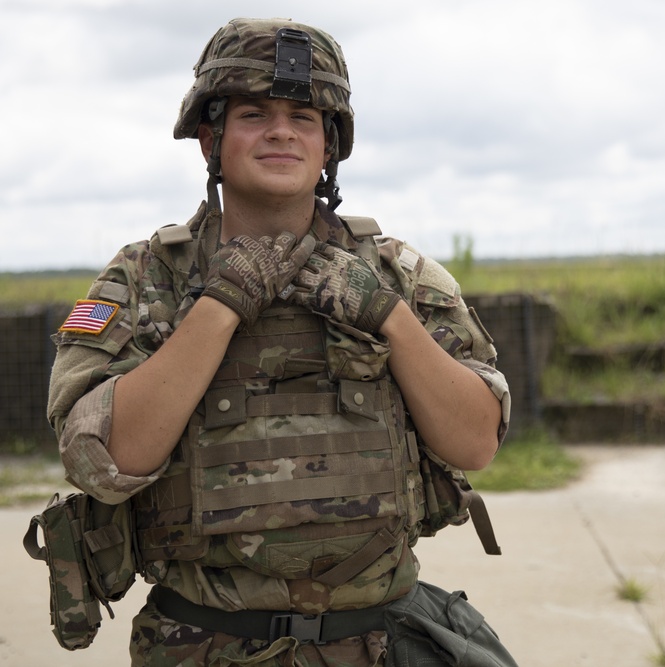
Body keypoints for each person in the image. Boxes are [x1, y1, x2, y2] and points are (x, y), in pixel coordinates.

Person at [47, 17, 516, 667]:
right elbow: (99, 458)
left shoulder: (398, 274)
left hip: (378, 643)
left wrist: (388, 317)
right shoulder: (146, 278)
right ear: (210, 137)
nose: (279, 130)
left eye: (303, 114)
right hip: (204, 644)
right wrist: (220, 304)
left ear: (330, 144)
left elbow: (475, 441)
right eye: (253, 112)